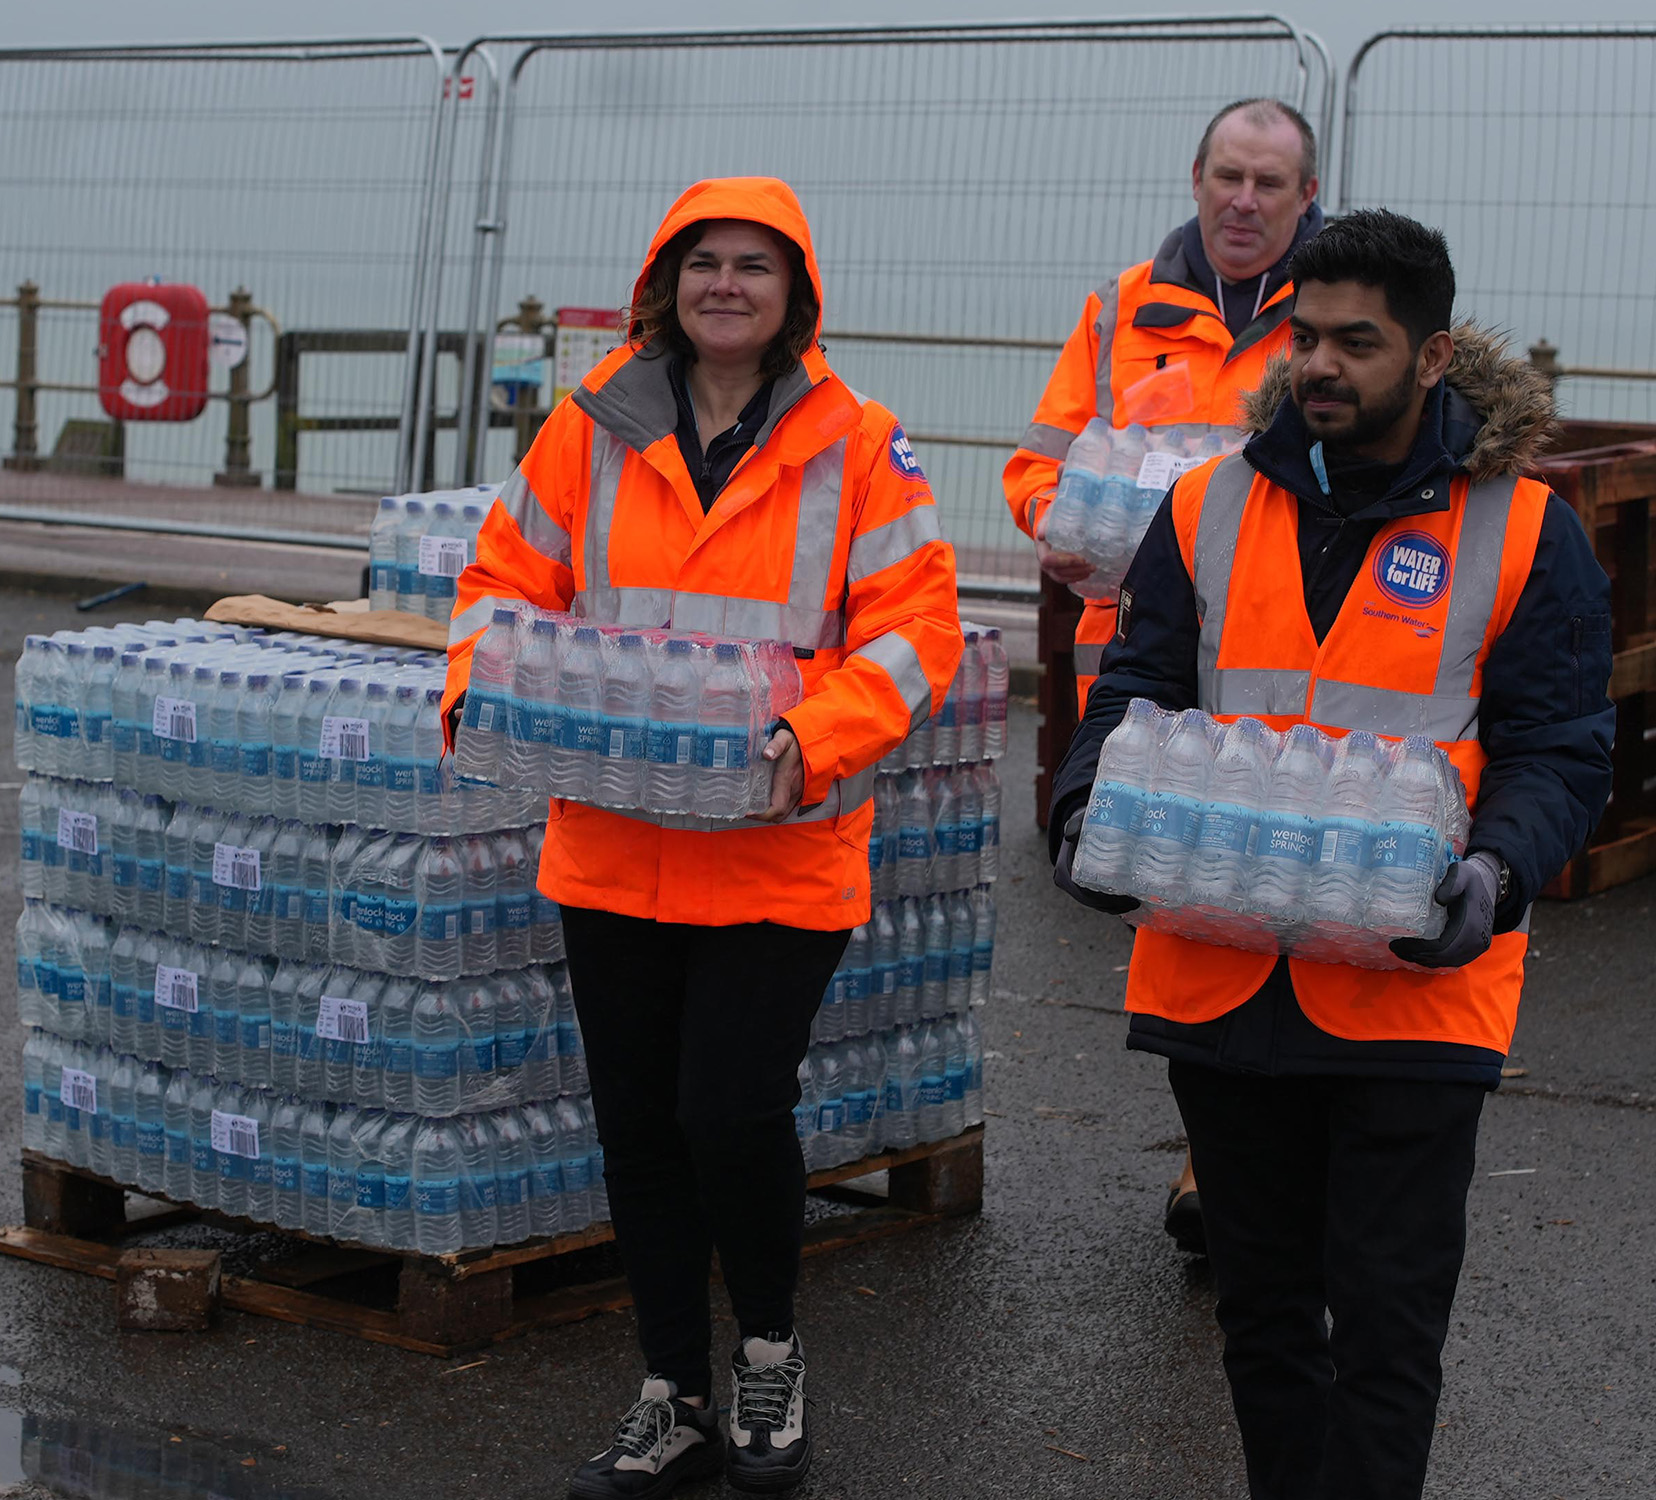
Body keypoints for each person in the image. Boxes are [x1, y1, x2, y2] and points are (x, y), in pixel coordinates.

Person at [1049, 209, 1614, 1498]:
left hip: (1415, 986)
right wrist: (1085, 807)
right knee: (1259, 1318)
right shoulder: (1203, 504)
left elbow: (1559, 751)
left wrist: (1496, 873)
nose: (1317, 364)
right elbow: (1133, 680)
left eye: (1354, 342)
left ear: (1428, 357)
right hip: (1217, 969)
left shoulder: (1523, 530)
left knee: (1383, 1330)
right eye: (1303, 334)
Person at [441, 177, 962, 1498]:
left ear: (798, 294)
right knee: (638, 1129)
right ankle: (670, 1384)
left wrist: (814, 741)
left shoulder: (861, 446)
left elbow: (918, 632)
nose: (726, 285)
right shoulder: (590, 428)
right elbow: (501, 582)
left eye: (755, 266)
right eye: (702, 263)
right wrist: (474, 688)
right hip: (613, 843)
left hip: (780, 850)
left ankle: (771, 1350)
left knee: (730, 1113)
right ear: (665, 281)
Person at [1004, 96, 1323, 1253]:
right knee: (1176, 910)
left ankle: (1234, 1166)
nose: (1242, 202)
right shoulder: (1117, 309)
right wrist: (1055, 518)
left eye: (1268, 184)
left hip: (1289, 653)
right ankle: (1215, 1149)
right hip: (1139, 645)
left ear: (1302, 195)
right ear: (1194, 178)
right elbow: (1037, 461)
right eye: (1226, 176)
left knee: (1283, 892)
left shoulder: (1330, 314)